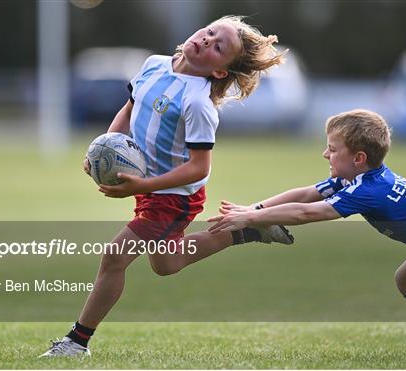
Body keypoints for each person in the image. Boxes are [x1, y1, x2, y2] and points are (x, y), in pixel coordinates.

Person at [40, 15, 293, 357]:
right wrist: (101, 151)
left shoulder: (198, 104)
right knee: (167, 264)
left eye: (219, 47)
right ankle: (247, 231)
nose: (207, 40)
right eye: (210, 31)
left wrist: (144, 184)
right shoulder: (154, 64)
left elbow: (198, 167)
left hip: (174, 197)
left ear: (220, 72)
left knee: (114, 257)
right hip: (149, 186)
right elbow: (128, 110)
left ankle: (76, 342)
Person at [208, 109, 406, 357]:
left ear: (359, 158)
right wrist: (254, 208)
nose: (325, 154)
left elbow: (309, 212)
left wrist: (252, 218)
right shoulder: (357, 178)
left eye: (332, 148)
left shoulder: (369, 190)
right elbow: (307, 194)